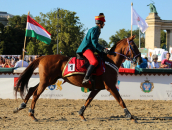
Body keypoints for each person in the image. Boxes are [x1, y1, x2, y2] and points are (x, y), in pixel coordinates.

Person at [76, 13, 110, 84]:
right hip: (85, 49)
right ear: (100, 23)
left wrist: (103, 51)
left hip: (90, 48)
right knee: (94, 61)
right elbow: (94, 43)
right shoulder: (95, 29)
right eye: (103, 23)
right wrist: (103, 49)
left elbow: (95, 45)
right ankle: (86, 78)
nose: (104, 24)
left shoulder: (97, 29)